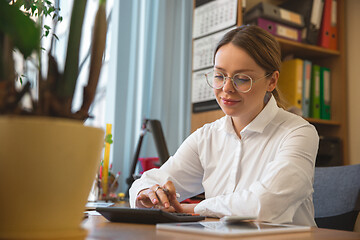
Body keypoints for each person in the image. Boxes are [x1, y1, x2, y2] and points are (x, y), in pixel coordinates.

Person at [129, 25, 319, 226]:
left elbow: (264, 204)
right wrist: (148, 193)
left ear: (271, 81)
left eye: (242, 79)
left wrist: (193, 209)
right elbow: (151, 180)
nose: (226, 88)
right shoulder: (207, 137)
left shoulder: (298, 133)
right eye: (219, 76)